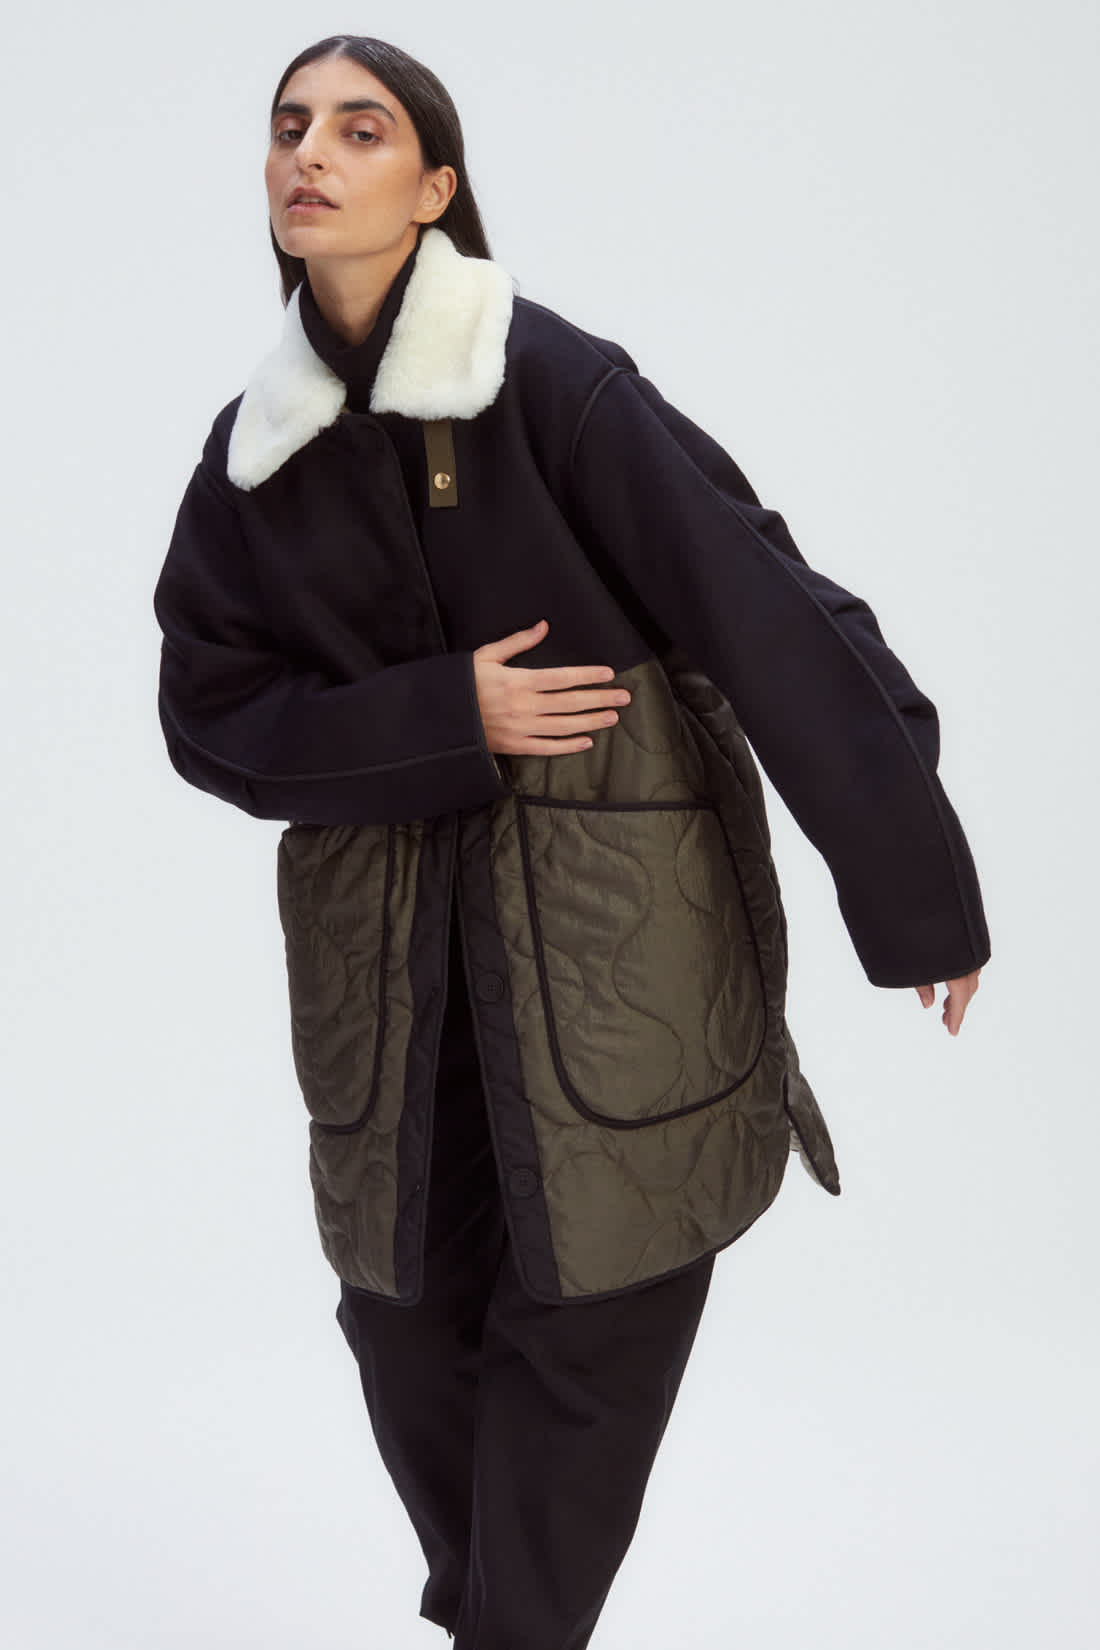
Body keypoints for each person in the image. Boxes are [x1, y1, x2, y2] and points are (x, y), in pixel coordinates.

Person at [151, 33, 990, 1650]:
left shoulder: (546, 378)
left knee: (591, 1318)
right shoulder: (255, 455)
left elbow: (764, 599)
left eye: (361, 128)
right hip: (389, 983)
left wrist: (916, 887)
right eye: (289, 126)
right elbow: (206, 710)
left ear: (436, 188)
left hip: (620, 954)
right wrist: (439, 713)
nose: (310, 152)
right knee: (402, 1331)